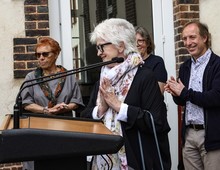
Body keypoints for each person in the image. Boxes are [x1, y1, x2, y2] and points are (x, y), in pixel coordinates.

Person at [81, 18, 171, 170]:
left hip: (135, 161)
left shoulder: (144, 77)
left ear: (120, 46)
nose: (98, 53)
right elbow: (85, 116)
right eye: (97, 48)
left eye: (101, 47)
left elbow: (157, 122)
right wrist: (100, 110)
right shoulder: (103, 80)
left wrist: (118, 106)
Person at [165, 21, 220, 170]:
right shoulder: (185, 67)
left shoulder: (217, 65)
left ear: (204, 38)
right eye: (185, 38)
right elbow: (184, 100)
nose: (188, 43)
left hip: (211, 136)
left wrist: (184, 92)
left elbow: (215, 97)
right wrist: (175, 93)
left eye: (192, 37)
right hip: (189, 134)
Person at [21, 36, 84, 116]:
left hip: (65, 122)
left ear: (56, 55)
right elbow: (26, 103)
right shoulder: (31, 78)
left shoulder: (68, 76)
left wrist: (64, 108)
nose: (41, 58)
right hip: (39, 123)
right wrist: (46, 110)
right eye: (38, 55)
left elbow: (76, 101)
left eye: (45, 54)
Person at [135, 26, 167, 94]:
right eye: (133, 42)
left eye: (140, 41)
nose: (136, 44)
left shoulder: (157, 62)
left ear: (148, 43)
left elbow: (159, 92)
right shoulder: (128, 64)